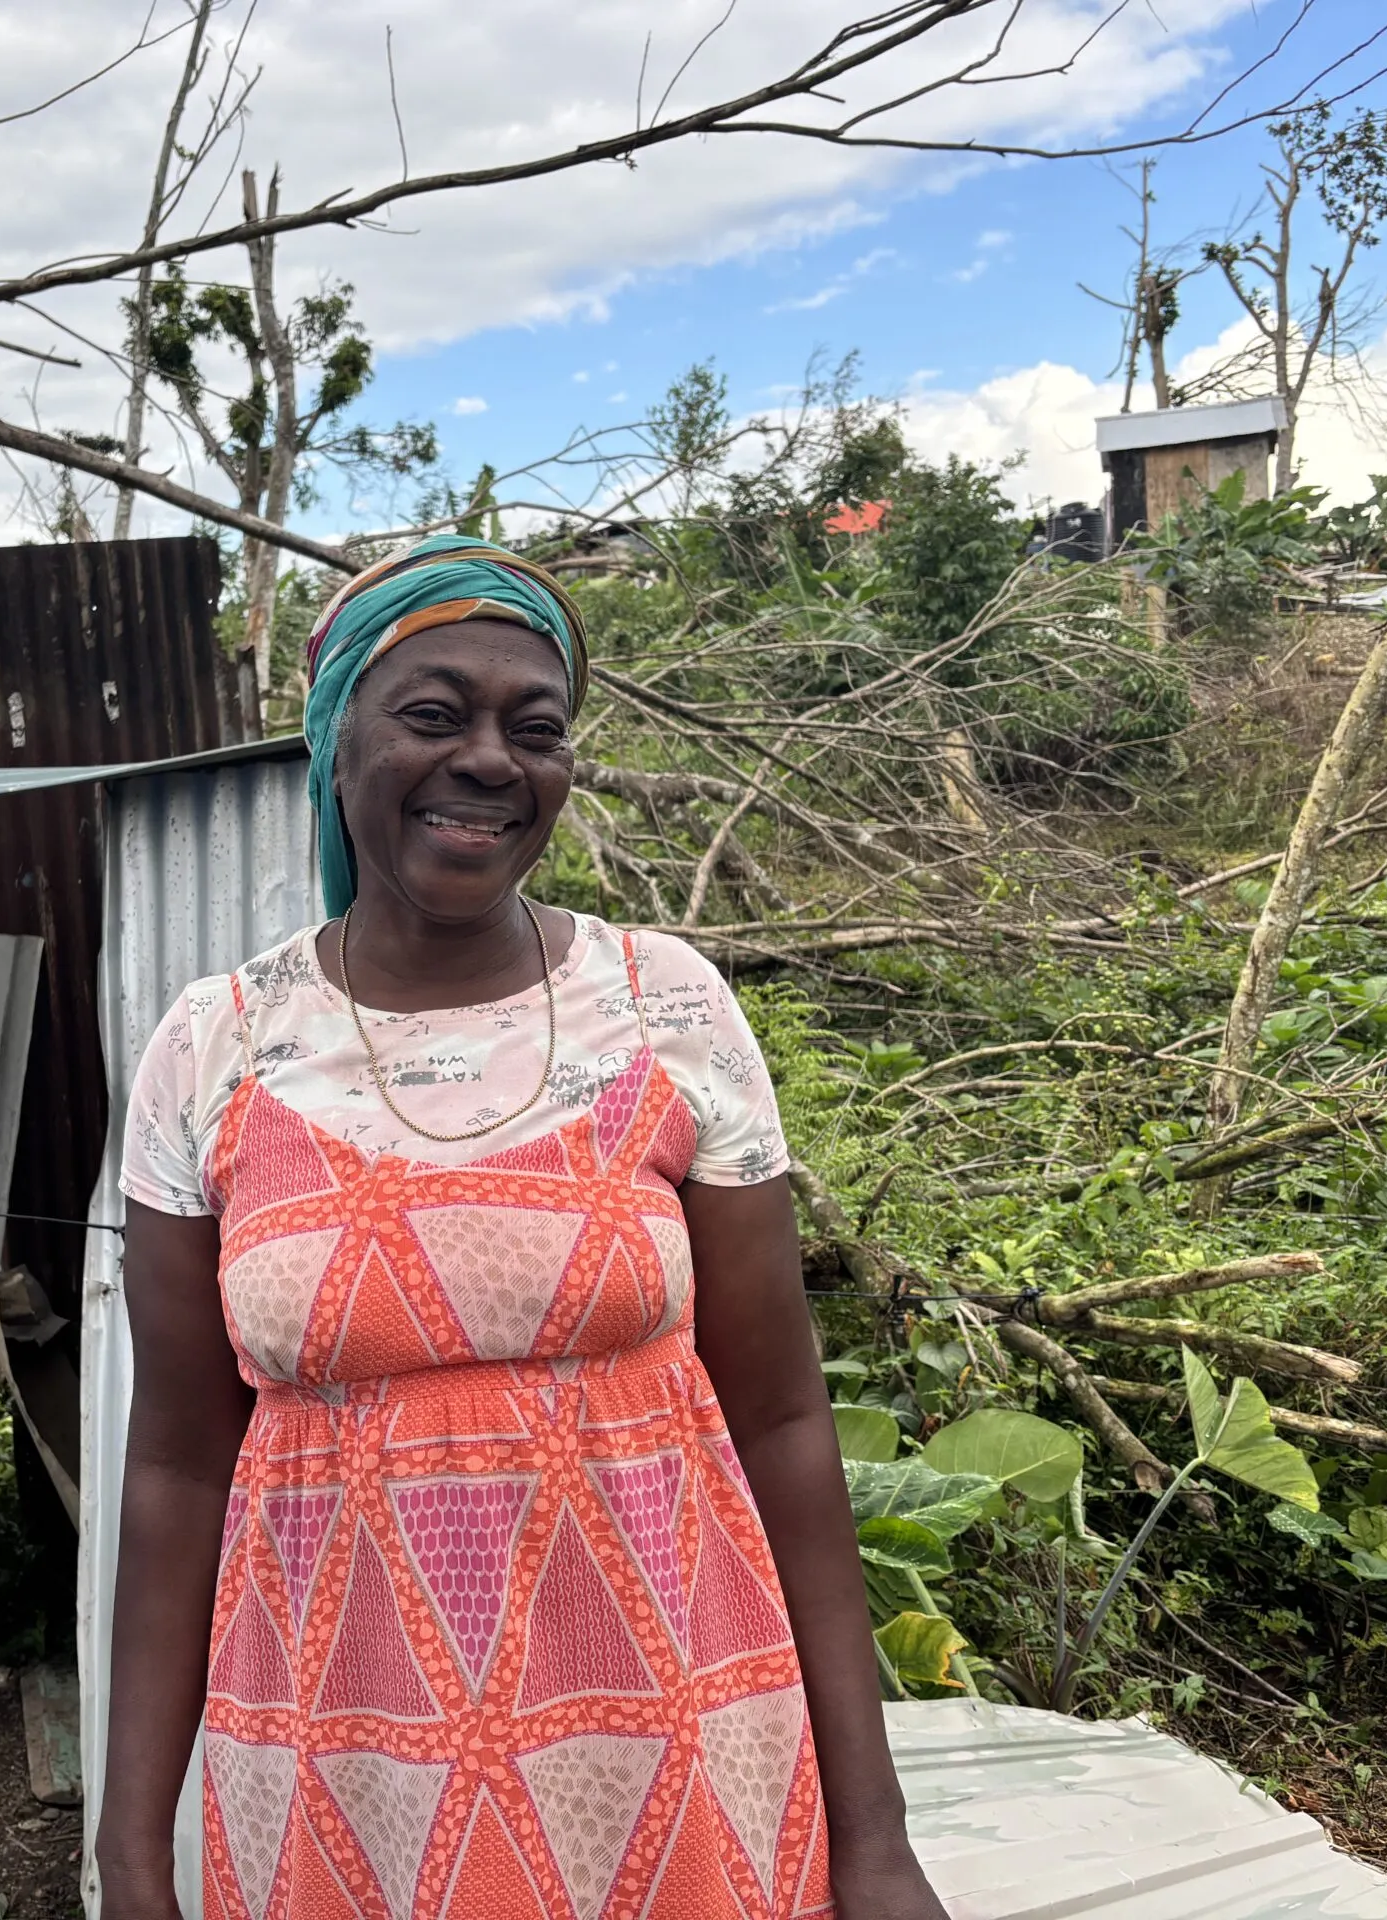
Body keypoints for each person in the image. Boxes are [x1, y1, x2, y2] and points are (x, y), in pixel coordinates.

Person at [99, 535, 947, 1919]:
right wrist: (127, 1856)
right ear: (334, 741)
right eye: (433, 714)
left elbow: (785, 1423)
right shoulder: (218, 1046)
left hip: (674, 1751)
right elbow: (180, 1473)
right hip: (340, 1768)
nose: (490, 758)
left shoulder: (667, 1006)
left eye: (534, 729)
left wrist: (876, 1840)